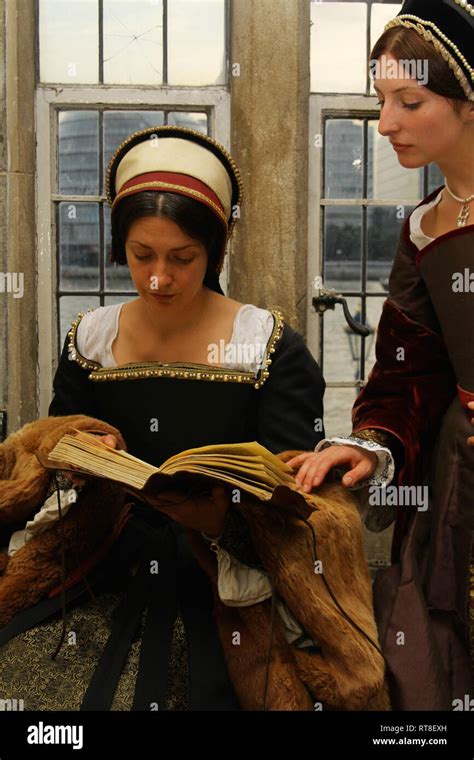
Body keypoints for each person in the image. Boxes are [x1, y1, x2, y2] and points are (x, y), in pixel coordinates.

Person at [28, 125, 325, 710]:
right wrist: (83, 459)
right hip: (103, 568)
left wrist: (220, 519)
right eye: (142, 256)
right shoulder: (92, 339)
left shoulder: (264, 346)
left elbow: (298, 495)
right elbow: (56, 443)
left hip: (230, 579)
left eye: (181, 258)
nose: (159, 277)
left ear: (213, 251)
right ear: (120, 248)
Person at [289, 0, 474, 710]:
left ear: (466, 102)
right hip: (456, 484)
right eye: (380, 101)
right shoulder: (423, 230)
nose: (386, 122)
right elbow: (405, 372)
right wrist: (372, 445)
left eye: (409, 100)